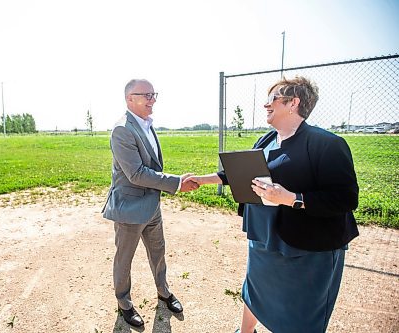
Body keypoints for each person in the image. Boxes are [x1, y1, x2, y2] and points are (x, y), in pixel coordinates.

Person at [186, 76, 359, 333]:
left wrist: (291, 199)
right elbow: (242, 172)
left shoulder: (327, 144)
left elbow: (346, 198)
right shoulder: (267, 140)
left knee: (302, 311)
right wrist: (204, 180)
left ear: (293, 103)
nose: (265, 105)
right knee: (255, 290)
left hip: (310, 247)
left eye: (271, 99)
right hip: (265, 236)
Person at [102, 79, 199, 327]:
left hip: (152, 205)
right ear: (129, 99)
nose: (152, 99)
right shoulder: (122, 129)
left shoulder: (146, 125)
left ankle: (163, 291)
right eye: (146, 94)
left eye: (153, 94)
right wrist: (177, 182)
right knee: (124, 259)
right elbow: (136, 174)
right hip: (130, 208)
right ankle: (124, 302)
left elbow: (153, 166)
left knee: (158, 252)